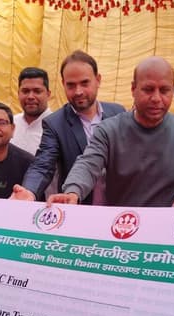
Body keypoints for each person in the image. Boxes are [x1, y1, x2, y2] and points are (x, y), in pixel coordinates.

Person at [49, 56, 174, 207]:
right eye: (148, 90)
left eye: (164, 90)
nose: (156, 98)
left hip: (170, 223)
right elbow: (88, 163)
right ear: (133, 89)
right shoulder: (109, 131)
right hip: (122, 222)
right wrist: (72, 192)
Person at [15, 50, 125, 203]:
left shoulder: (118, 113)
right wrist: (29, 191)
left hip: (119, 207)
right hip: (76, 206)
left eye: (85, 83)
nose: (78, 91)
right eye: (71, 85)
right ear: (63, 84)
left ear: (98, 80)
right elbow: (43, 164)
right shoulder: (55, 123)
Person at [11, 67, 52, 155]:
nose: (30, 97)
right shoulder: (11, 123)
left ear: (48, 94)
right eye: (25, 91)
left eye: (37, 91)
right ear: (18, 94)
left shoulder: (58, 127)